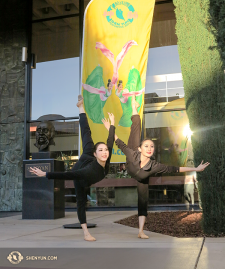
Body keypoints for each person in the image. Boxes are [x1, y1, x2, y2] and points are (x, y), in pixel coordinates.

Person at [114, 96, 210, 239]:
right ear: (141, 149)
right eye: (146, 146)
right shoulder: (133, 153)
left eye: (152, 146)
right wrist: (110, 128)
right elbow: (120, 143)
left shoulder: (154, 166)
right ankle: (134, 107)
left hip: (142, 178)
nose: (150, 148)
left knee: (143, 201)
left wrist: (196, 169)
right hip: (132, 163)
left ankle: (140, 231)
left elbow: (174, 169)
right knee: (135, 129)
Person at [29, 95, 115, 242]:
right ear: (96, 153)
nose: (104, 152)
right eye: (100, 150)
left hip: (88, 157)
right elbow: (68, 175)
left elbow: (110, 140)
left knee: (86, 132)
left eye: (105, 150)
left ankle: (80, 107)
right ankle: (86, 232)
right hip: (80, 171)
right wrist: (46, 174)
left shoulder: (106, 156)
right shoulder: (88, 171)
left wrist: (111, 125)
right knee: (81, 202)